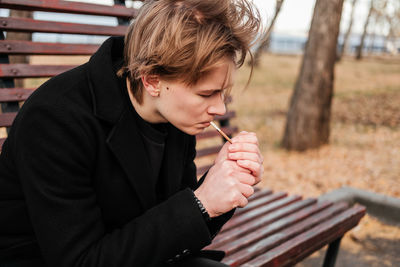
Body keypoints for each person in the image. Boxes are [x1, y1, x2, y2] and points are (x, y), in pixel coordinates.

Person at [0, 0, 264, 266]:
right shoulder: (55, 120)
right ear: (151, 80)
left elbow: (174, 221)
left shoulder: (173, 113)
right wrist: (202, 203)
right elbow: (81, 260)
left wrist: (227, 185)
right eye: (206, 93)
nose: (218, 108)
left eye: (223, 92)